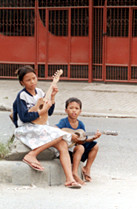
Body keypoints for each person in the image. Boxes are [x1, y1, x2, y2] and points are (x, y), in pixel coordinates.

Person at [12, 66, 81, 188]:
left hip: (40, 127)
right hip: (26, 128)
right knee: (60, 135)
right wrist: (40, 111)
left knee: (63, 144)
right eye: (28, 80)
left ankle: (69, 179)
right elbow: (23, 117)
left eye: (34, 78)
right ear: (22, 82)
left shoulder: (40, 92)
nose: (32, 82)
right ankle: (32, 155)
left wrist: (52, 97)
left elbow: (48, 112)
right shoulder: (22, 96)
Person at [56, 97, 101, 185]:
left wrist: (93, 138)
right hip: (67, 152)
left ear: (80, 111)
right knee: (80, 148)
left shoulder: (80, 124)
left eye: (77, 108)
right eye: (71, 108)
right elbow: (55, 129)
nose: (74, 111)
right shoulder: (63, 122)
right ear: (66, 110)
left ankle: (86, 168)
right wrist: (70, 135)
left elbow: (83, 140)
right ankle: (74, 174)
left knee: (95, 146)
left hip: (77, 152)